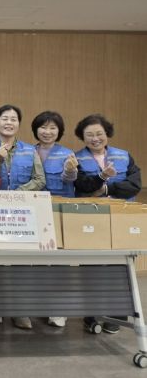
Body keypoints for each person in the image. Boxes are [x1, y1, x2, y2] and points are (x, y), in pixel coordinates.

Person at [74, 114, 142, 335]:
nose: (95, 138)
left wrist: (105, 189)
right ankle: (92, 316)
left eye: (99, 134)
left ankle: (117, 316)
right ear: (82, 137)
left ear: (107, 134)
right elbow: (83, 186)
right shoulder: (76, 158)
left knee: (119, 267)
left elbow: (134, 185)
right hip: (90, 219)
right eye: (89, 135)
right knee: (91, 267)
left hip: (120, 217)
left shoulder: (124, 155)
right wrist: (98, 183)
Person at [0, 104, 46, 330]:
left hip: (23, 213)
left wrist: (17, 193)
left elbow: (40, 180)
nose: (9, 122)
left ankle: (20, 310)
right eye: (4, 118)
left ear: (18, 124)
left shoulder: (29, 150)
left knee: (22, 262)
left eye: (13, 119)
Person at [30, 111, 79, 328]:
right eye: (43, 127)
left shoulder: (67, 153)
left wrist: (70, 171)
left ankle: (58, 310)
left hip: (58, 211)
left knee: (59, 260)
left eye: (53, 128)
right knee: (34, 260)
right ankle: (37, 305)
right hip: (32, 211)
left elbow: (70, 179)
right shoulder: (27, 151)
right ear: (36, 130)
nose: (47, 132)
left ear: (59, 131)